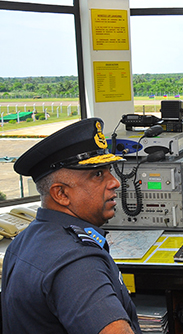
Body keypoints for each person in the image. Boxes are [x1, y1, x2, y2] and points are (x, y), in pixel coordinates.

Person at [1, 118, 142, 334]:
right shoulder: (77, 264)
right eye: (98, 174)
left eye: (109, 171)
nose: (115, 182)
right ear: (61, 194)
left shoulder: (23, 240)